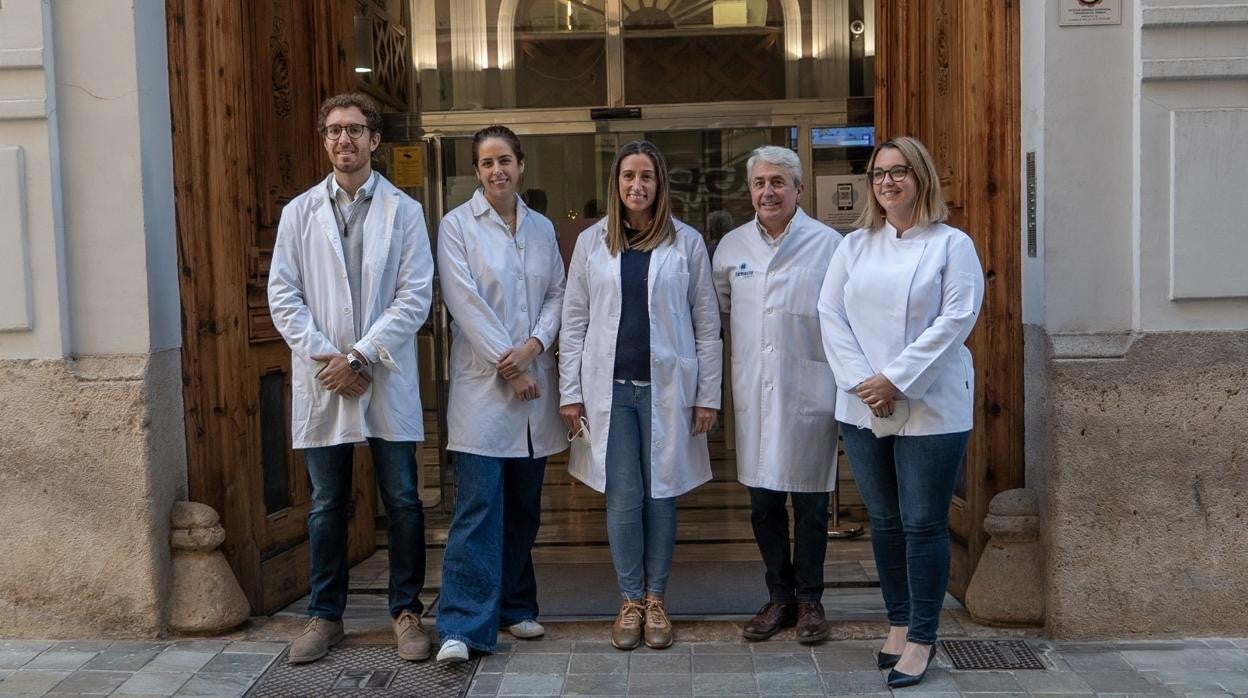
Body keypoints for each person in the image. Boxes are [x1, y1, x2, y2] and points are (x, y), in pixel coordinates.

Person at [267, 93, 434, 665]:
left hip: (380, 375)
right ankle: (325, 615)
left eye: (356, 130)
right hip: (326, 379)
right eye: (335, 130)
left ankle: (406, 612)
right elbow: (282, 295)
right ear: (324, 140)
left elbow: (416, 296)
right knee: (326, 503)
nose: (345, 140)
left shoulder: (403, 210)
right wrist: (328, 359)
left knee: (404, 500)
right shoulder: (299, 212)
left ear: (375, 140)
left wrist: (360, 357)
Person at [817, 136, 984, 689]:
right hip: (863, 403)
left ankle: (921, 637)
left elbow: (956, 318)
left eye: (900, 171)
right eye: (879, 173)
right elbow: (830, 313)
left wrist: (897, 380)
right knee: (884, 521)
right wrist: (866, 385)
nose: (888, 182)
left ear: (922, 178)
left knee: (922, 522)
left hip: (932, 407)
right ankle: (896, 620)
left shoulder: (951, 245)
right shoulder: (854, 245)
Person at [558, 140, 722, 651]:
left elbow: (706, 324)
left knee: (662, 495)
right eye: (628, 176)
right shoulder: (591, 243)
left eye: (646, 176)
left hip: (666, 390)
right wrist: (570, 393)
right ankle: (629, 600)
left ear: (660, 183)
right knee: (624, 498)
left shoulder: (686, 243)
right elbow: (575, 321)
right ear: (615, 183)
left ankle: (657, 599)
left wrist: (708, 396)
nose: (637, 185)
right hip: (609, 392)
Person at [434, 126, 566, 663]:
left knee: (524, 507)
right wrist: (511, 367)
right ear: (476, 171)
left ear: (521, 165)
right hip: (485, 391)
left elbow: (557, 292)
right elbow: (463, 302)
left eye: (505, 160)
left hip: (533, 387)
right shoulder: (456, 226)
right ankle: (462, 625)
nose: (497, 171)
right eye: (487, 163)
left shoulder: (540, 228)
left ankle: (515, 606)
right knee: (479, 506)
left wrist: (536, 343)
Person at [712, 145, 842, 644]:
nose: (768, 191)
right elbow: (723, 315)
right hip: (755, 390)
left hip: (809, 388)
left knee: (810, 505)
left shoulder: (830, 245)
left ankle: (810, 600)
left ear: (799, 190)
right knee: (763, 504)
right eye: (760, 183)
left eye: (778, 183)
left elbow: (842, 318)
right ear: (750, 191)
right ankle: (778, 596)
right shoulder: (732, 248)